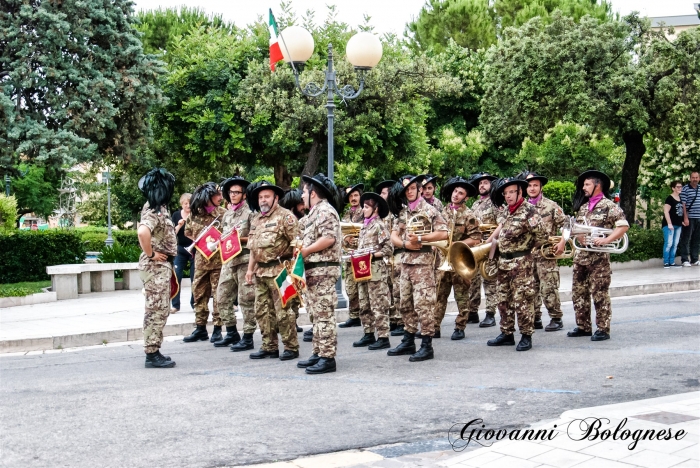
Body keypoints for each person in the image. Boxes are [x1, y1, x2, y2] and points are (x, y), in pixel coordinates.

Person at [388, 175, 448, 361]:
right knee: (405, 303)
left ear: (420, 189)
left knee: (424, 305)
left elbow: (444, 233)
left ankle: (426, 344)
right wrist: (405, 244)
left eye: (413, 188)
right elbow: (393, 235)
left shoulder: (429, 210)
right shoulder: (404, 212)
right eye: (407, 189)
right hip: (405, 262)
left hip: (422, 264)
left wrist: (421, 239)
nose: (410, 192)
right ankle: (408, 339)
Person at [485, 177, 546, 351]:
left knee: (523, 300)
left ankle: (526, 335)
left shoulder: (529, 211)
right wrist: (486, 244)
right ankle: (507, 333)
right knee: (503, 299)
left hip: (521, 263)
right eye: (506, 193)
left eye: (512, 192)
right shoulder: (506, 211)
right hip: (503, 261)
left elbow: (541, 237)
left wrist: (527, 251)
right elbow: (499, 229)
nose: (509, 196)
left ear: (520, 191)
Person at [568, 170, 629, 341]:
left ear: (597, 185)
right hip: (581, 257)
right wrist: (578, 235)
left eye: (587, 184)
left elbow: (623, 226)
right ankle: (583, 326)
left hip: (599, 259)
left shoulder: (609, 206)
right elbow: (579, 229)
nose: (583, 187)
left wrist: (607, 239)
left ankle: (603, 329)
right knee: (578, 292)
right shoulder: (584, 207)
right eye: (584, 184)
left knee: (599, 294)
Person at [245, 181, 300, 360]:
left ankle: (291, 347)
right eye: (260, 197)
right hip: (261, 272)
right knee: (262, 311)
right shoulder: (256, 219)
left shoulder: (286, 217)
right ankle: (269, 346)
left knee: (283, 312)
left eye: (267, 196)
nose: (263, 200)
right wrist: (249, 270)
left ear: (276, 198)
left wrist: (294, 271)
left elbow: (297, 244)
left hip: (280, 271)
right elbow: (253, 248)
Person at [296, 174, 343, 374]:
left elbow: (329, 238)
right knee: (316, 315)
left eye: (304, 192)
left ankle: (327, 357)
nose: (302, 196)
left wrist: (306, 251)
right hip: (314, 271)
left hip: (323, 270)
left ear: (313, 193)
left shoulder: (325, 211)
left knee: (324, 315)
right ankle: (318, 351)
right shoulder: (314, 214)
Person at [136, 168, 178, 368]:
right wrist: (152, 253)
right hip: (155, 266)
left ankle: (154, 350)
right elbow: (143, 232)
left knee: (160, 309)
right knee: (156, 310)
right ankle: (151, 354)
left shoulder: (160, 207)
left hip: (160, 266)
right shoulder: (154, 209)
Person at [434, 177, 482, 340]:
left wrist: (457, 243)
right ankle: (435, 327)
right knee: (440, 295)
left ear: (466, 198)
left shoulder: (469, 215)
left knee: (461, 296)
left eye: (460, 193)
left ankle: (460, 327)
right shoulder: (443, 212)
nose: (456, 195)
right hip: (443, 261)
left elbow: (476, 238)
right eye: (455, 191)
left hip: (459, 259)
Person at [215, 176, 257, 349]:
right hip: (228, 260)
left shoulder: (250, 213)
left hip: (245, 260)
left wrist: (240, 238)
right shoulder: (228, 213)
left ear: (244, 195)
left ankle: (248, 336)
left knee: (246, 299)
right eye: (231, 192)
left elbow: (256, 236)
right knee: (221, 297)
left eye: (237, 192)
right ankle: (231, 332)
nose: (233, 195)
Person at [524, 172, 569, 331]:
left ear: (541, 187)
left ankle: (556, 318)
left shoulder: (551, 206)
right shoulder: (523, 208)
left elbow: (567, 224)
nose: (532, 188)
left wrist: (563, 241)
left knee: (548, 287)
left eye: (535, 185)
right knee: (530, 288)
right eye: (529, 185)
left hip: (546, 254)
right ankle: (535, 318)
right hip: (528, 255)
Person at [183, 183, 227, 343]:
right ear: (208, 197)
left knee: (218, 296)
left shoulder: (223, 214)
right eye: (217, 195)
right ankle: (200, 328)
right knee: (199, 294)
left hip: (218, 262)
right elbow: (188, 232)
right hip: (201, 261)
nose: (220, 198)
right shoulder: (194, 215)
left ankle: (217, 329)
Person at [352, 192, 394, 350]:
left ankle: (383, 336)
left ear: (375, 209)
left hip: (375, 268)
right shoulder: (365, 225)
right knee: (364, 302)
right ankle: (368, 333)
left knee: (378, 303)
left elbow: (389, 249)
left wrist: (371, 255)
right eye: (363, 206)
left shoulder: (379, 225)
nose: (363, 209)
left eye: (367, 207)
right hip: (363, 268)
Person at [466, 173, 500, 328]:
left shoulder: (496, 203)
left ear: (491, 185)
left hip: (489, 246)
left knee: (489, 280)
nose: (482, 186)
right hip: (476, 247)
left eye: (485, 183)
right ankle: (472, 311)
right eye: (480, 183)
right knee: (473, 279)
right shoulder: (474, 205)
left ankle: (490, 313)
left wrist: (488, 241)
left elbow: (501, 225)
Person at [376, 179, 404, 335]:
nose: (381, 195)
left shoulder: (399, 211)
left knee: (399, 289)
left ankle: (401, 320)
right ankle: (393, 319)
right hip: (387, 257)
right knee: (389, 290)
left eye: (384, 192)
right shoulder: (384, 214)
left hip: (398, 255)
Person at [338, 183, 365, 329]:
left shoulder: (365, 211)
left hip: (361, 255)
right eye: (351, 196)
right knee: (350, 287)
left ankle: (365, 315)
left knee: (362, 286)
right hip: (349, 255)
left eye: (356, 195)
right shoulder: (346, 214)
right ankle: (354, 315)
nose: (353, 198)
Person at [280, 189, 307, 335]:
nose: (304, 206)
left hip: (297, 261)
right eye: (300, 204)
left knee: (296, 296)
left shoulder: (302, 220)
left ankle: (293, 321)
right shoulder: (289, 220)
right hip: (286, 262)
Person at [171, 193, 194, 313]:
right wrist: (179, 225)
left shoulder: (195, 215)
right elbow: (172, 234)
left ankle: (194, 304)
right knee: (176, 275)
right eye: (186, 203)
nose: (188, 205)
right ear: (182, 204)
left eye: (190, 203)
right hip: (180, 249)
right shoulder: (175, 215)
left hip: (194, 250)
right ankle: (175, 305)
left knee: (194, 277)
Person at [679, 171, 700, 267]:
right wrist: (685, 218)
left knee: (696, 239)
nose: (695, 179)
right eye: (693, 177)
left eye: (696, 177)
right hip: (689, 217)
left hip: (698, 218)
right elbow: (683, 204)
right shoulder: (685, 189)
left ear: (699, 178)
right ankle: (684, 259)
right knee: (686, 239)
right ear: (690, 178)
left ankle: (695, 259)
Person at [662, 180, 685, 268]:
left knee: (675, 244)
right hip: (669, 225)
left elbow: (679, 211)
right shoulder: (669, 198)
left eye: (681, 187)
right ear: (673, 188)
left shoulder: (680, 198)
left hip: (678, 225)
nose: (680, 188)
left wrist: (682, 221)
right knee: (669, 243)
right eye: (678, 187)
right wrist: (669, 223)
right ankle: (666, 262)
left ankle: (672, 262)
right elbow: (666, 211)